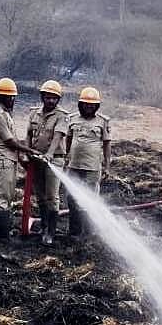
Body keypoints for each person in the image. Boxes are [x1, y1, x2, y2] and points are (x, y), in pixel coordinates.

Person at [0, 77, 39, 229]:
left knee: (8, 195)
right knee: (2, 196)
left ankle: (2, 229)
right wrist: (29, 150)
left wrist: (22, 160)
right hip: (3, 161)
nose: (11, 100)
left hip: (10, 160)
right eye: (7, 97)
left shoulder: (6, 114)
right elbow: (10, 142)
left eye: (12, 97)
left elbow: (13, 144)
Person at [64, 86, 111, 236]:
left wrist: (107, 166)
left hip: (92, 168)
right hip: (74, 166)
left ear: (96, 106)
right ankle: (74, 231)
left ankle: (89, 231)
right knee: (71, 198)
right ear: (80, 104)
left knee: (90, 200)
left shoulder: (103, 122)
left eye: (92, 105)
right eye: (86, 104)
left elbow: (107, 144)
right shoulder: (72, 119)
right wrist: (66, 157)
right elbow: (68, 139)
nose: (88, 107)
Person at [27, 80, 70, 245]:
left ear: (58, 99)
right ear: (42, 97)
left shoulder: (62, 116)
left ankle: (51, 232)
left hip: (54, 159)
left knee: (52, 196)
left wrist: (50, 154)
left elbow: (58, 136)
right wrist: (27, 152)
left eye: (54, 98)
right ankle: (43, 227)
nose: (50, 100)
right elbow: (29, 135)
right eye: (48, 97)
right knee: (40, 196)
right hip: (36, 159)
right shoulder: (34, 113)